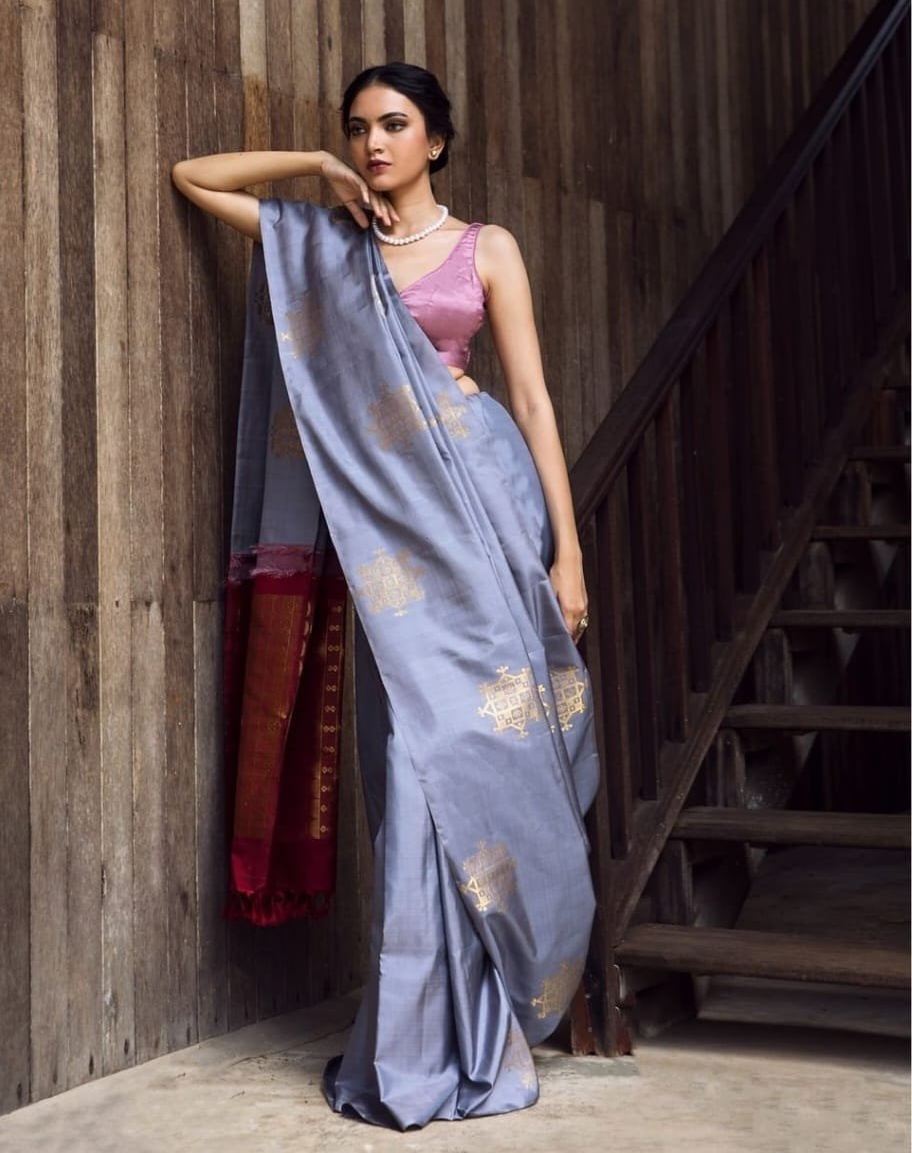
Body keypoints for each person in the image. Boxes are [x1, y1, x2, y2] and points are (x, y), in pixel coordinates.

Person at [172, 62, 600, 1130]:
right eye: (358, 128)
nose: (373, 143)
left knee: (499, 757)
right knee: (413, 776)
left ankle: (492, 1017)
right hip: (390, 551)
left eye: (394, 125)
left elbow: (533, 401)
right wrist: (314, 166)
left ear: (436, 140)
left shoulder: (487, 248)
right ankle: (414, 1043)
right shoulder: (329, 246)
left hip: (485, 517)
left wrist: (569, 555)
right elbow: (193, 177)